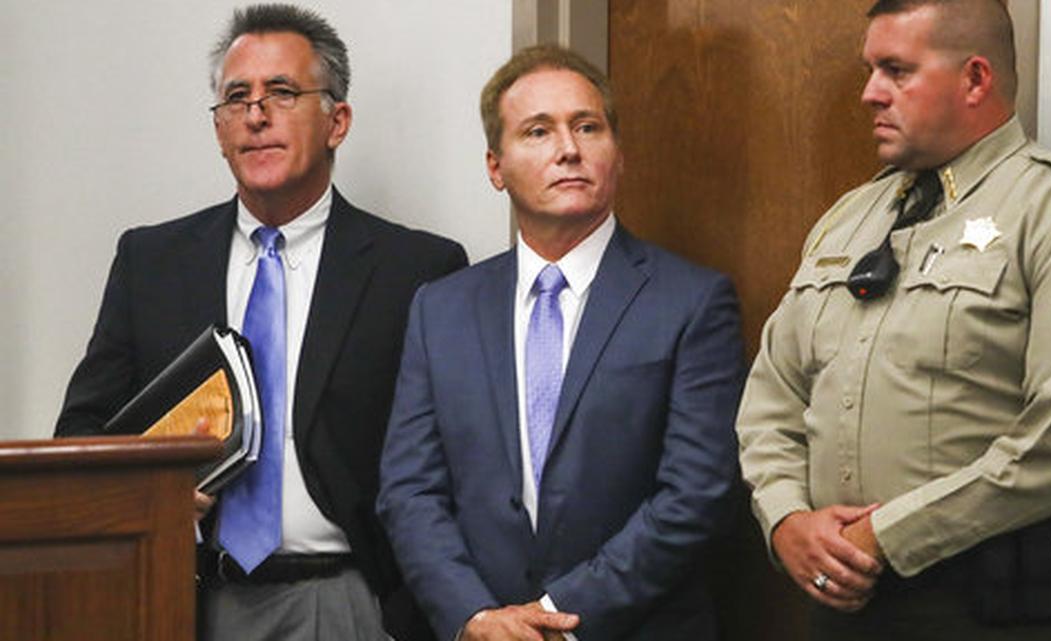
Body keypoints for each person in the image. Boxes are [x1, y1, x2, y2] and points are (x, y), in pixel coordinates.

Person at [54, 4, 466, 641]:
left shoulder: (416, 269)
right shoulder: (152, 262)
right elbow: (80, 433)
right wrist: (149, 492)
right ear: (219, 130)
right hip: (182, 598)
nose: (255, 114)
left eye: (282, 92)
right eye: (236, 98)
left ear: (338, 120)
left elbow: (449, 462)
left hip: (345, 600)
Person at [736, 0, 1051, 639]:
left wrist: (885, 536)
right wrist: (786, 520)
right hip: (842, 609)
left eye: (896, 70)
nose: (870, 93)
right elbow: (773, 398)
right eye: (871, 69)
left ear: (975, 79)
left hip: (992, 610)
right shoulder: (849, 219)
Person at [377, 44, 745, 641]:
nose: (568, 149)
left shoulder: (692, 302)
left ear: (618, 155)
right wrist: (472, 615)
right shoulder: (440, 308)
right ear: (496, 167)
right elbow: (409, 488)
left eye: (587, 127)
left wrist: (558, 615)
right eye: (538, 131)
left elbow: (697, 494)